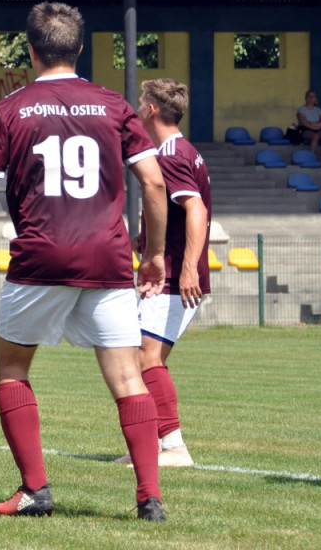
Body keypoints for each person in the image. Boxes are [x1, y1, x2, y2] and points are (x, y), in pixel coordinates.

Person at [0, 1, 169, 521]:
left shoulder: (10, 109)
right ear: (80, 48)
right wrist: (155, 255)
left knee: (10, 366)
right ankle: (149, 498)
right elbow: (156, 184)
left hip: (40, 257)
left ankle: (35, 490)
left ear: (29, 50)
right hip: (108, 258)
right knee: (128, 378)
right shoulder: (115, 105)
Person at [114, 78, 211, 469]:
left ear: (152, 109)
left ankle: (173, 447)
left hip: (173, 277)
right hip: (172, 271)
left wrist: (187, 269)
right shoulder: (183, 149)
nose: (138, 108)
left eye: (141, 103)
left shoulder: (168, 154)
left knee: (145, 357)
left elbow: (196, 209)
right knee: (141, 358)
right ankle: (156, 445)